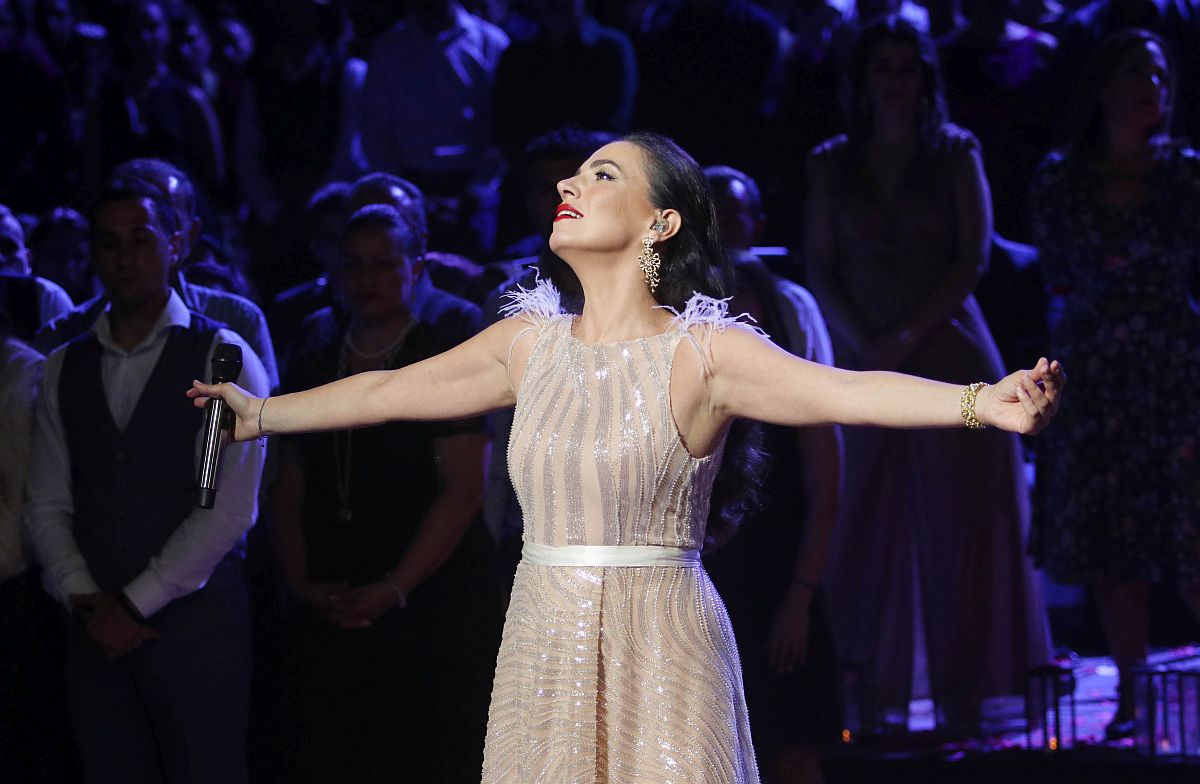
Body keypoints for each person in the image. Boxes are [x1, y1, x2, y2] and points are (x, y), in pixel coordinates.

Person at [191, 131, 1064, 782]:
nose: (569, 184)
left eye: (602, 174)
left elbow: (844, 392)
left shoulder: (706, 352)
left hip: (663, 636)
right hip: (545, 637)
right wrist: (259, 414)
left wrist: (979, 402)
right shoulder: (526, 344)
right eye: (573, 175)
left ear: (660, 221)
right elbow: (385, 391)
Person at [804, 15, 1052, 736]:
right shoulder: (831, 162)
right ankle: (863, 704)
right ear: (863, 79)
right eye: (882, 68)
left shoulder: (955, 151)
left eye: (907, 68)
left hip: (948, 345)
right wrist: (867, 341)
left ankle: (969, 701)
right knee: (856, 517)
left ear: (925, 79)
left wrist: (908, 334)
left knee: (963, 525)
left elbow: (974, 256)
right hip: (860, 350)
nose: (895, 81)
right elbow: (819, 262)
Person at [25, 175, 269, 783]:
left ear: (176, 243)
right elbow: (46, 502)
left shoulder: (223, 356)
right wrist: (86, 599)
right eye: (109, 242)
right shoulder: (62, 366)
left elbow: (228, 509)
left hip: (194, 629)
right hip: (94, 629)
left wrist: (133, 604)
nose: (124, 256)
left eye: (141, 238)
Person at [276, 204, 501, 782]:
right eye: (354, 264)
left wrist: (396, 587)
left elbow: (464, 488)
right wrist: (299, 580)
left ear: (415, 267)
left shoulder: (442, 354)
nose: (367, 278)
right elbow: (289, 483)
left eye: (383, 263)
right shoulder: (314, 358)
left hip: (428, 589)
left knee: (420, 747)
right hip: (335, 583)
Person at [1028, 28, 1200, 740]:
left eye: (1159, 75)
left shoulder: (1186, 175)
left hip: (1174, 369)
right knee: (1113, 541)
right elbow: (1058, 270)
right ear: (1103, 85)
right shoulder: (1060, 179)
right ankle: (1134, 699)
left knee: (1191, 531)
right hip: (1097, 375)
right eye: (1136, 73)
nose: (1150, 87)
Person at [703, 165, 842, 784]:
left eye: (734, 216)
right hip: (705, 571)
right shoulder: (669, 319)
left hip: (780, 571)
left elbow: (826, 479)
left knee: (791, 740)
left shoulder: (790, 308)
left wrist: (800, 597)